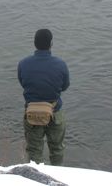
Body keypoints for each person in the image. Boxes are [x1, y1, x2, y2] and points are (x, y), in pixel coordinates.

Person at [17, 29, 70, 166]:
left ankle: (36, 179)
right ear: (51, 44)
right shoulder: (61, 64)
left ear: (34, 43)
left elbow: (23, 83)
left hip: (31, 114)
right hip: (55, 112)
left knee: (34, 151)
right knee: (57, 150)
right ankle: (57, 179)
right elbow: (64, 86)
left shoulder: (23, 64)